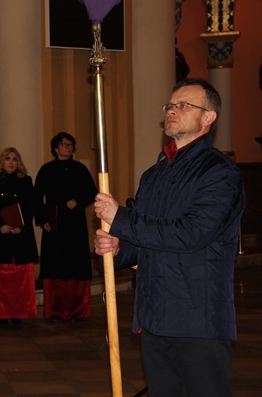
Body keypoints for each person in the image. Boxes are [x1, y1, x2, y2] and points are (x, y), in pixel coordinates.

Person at [94, 78, 245, 397]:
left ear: (208, 117)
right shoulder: (154, 175)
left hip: (197, 317)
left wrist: (121, 218)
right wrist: (120, 247)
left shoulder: (220, 172)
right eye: (171, 105)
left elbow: (191, 234)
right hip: (154, 315)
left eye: (184, 105)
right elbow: (147, 243)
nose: (173, 111)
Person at [34, 132, 97, 322]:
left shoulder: (80, 169)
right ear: (56, 148)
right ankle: (55, 310)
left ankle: (77, 309)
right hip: (54, 224)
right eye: (64, 144)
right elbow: (36, 197)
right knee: (55, 264)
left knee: (76, 263)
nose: (68, 147)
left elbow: (92, 192)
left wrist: (77, 201)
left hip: (75, 223)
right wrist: (43, 219)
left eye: (70, 144)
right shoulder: (47, 169)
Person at [0, 147, 38, 325]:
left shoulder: (26, 181)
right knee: (1, 277)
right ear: (1, 161)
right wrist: (0, 225)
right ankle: (1, 313)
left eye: (15, 159)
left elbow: (31, 206)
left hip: (20, 235)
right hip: (0, 235)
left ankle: (18, 313)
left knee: (19, 277)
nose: (11, 162)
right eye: (8, 158)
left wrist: (20, 225)